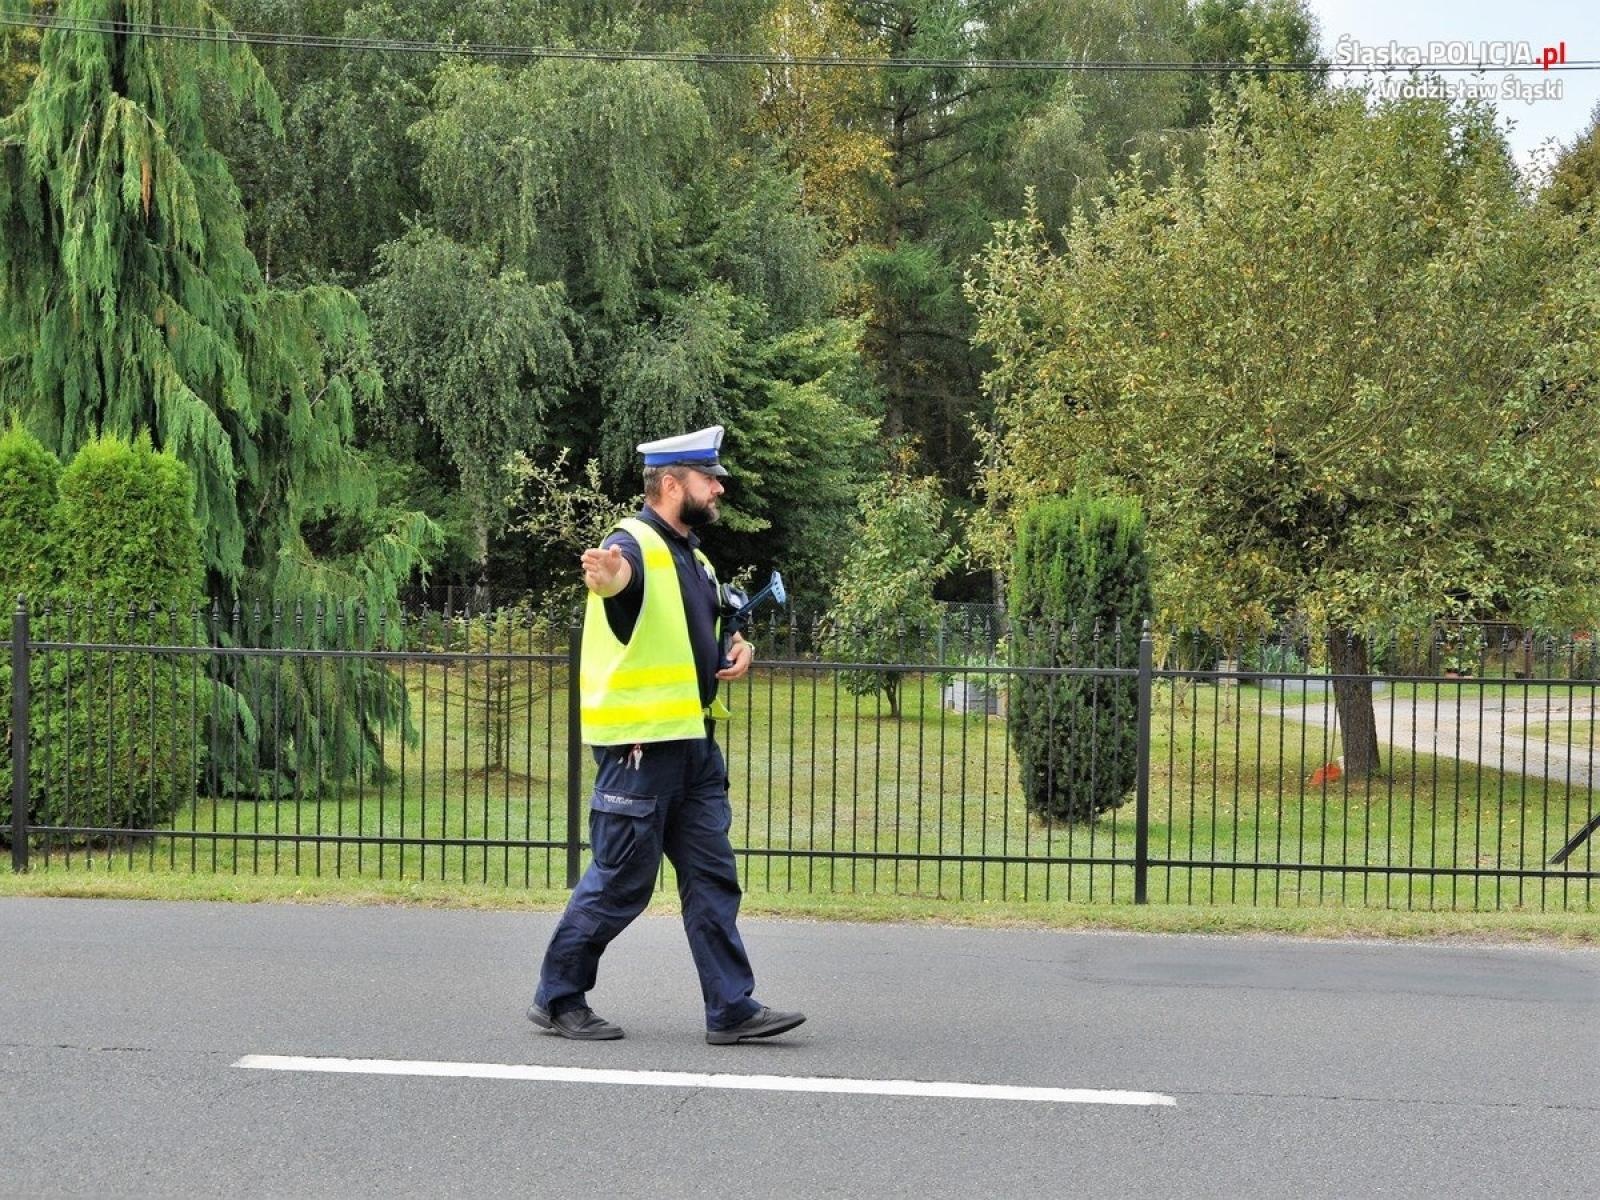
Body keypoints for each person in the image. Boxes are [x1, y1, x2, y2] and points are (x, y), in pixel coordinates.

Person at [529, 425, 806, 1045]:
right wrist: (607, 577)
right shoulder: (630, 544)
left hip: (693, 746)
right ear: (672, 483)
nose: (719, 489)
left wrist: (736, 648)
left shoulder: (697, 559)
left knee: (713, 877)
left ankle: (732, 1010)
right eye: (711, 479)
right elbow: (618, 581)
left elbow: (697, 634)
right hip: (640, 749)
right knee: (623, 880)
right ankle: (557, 996)